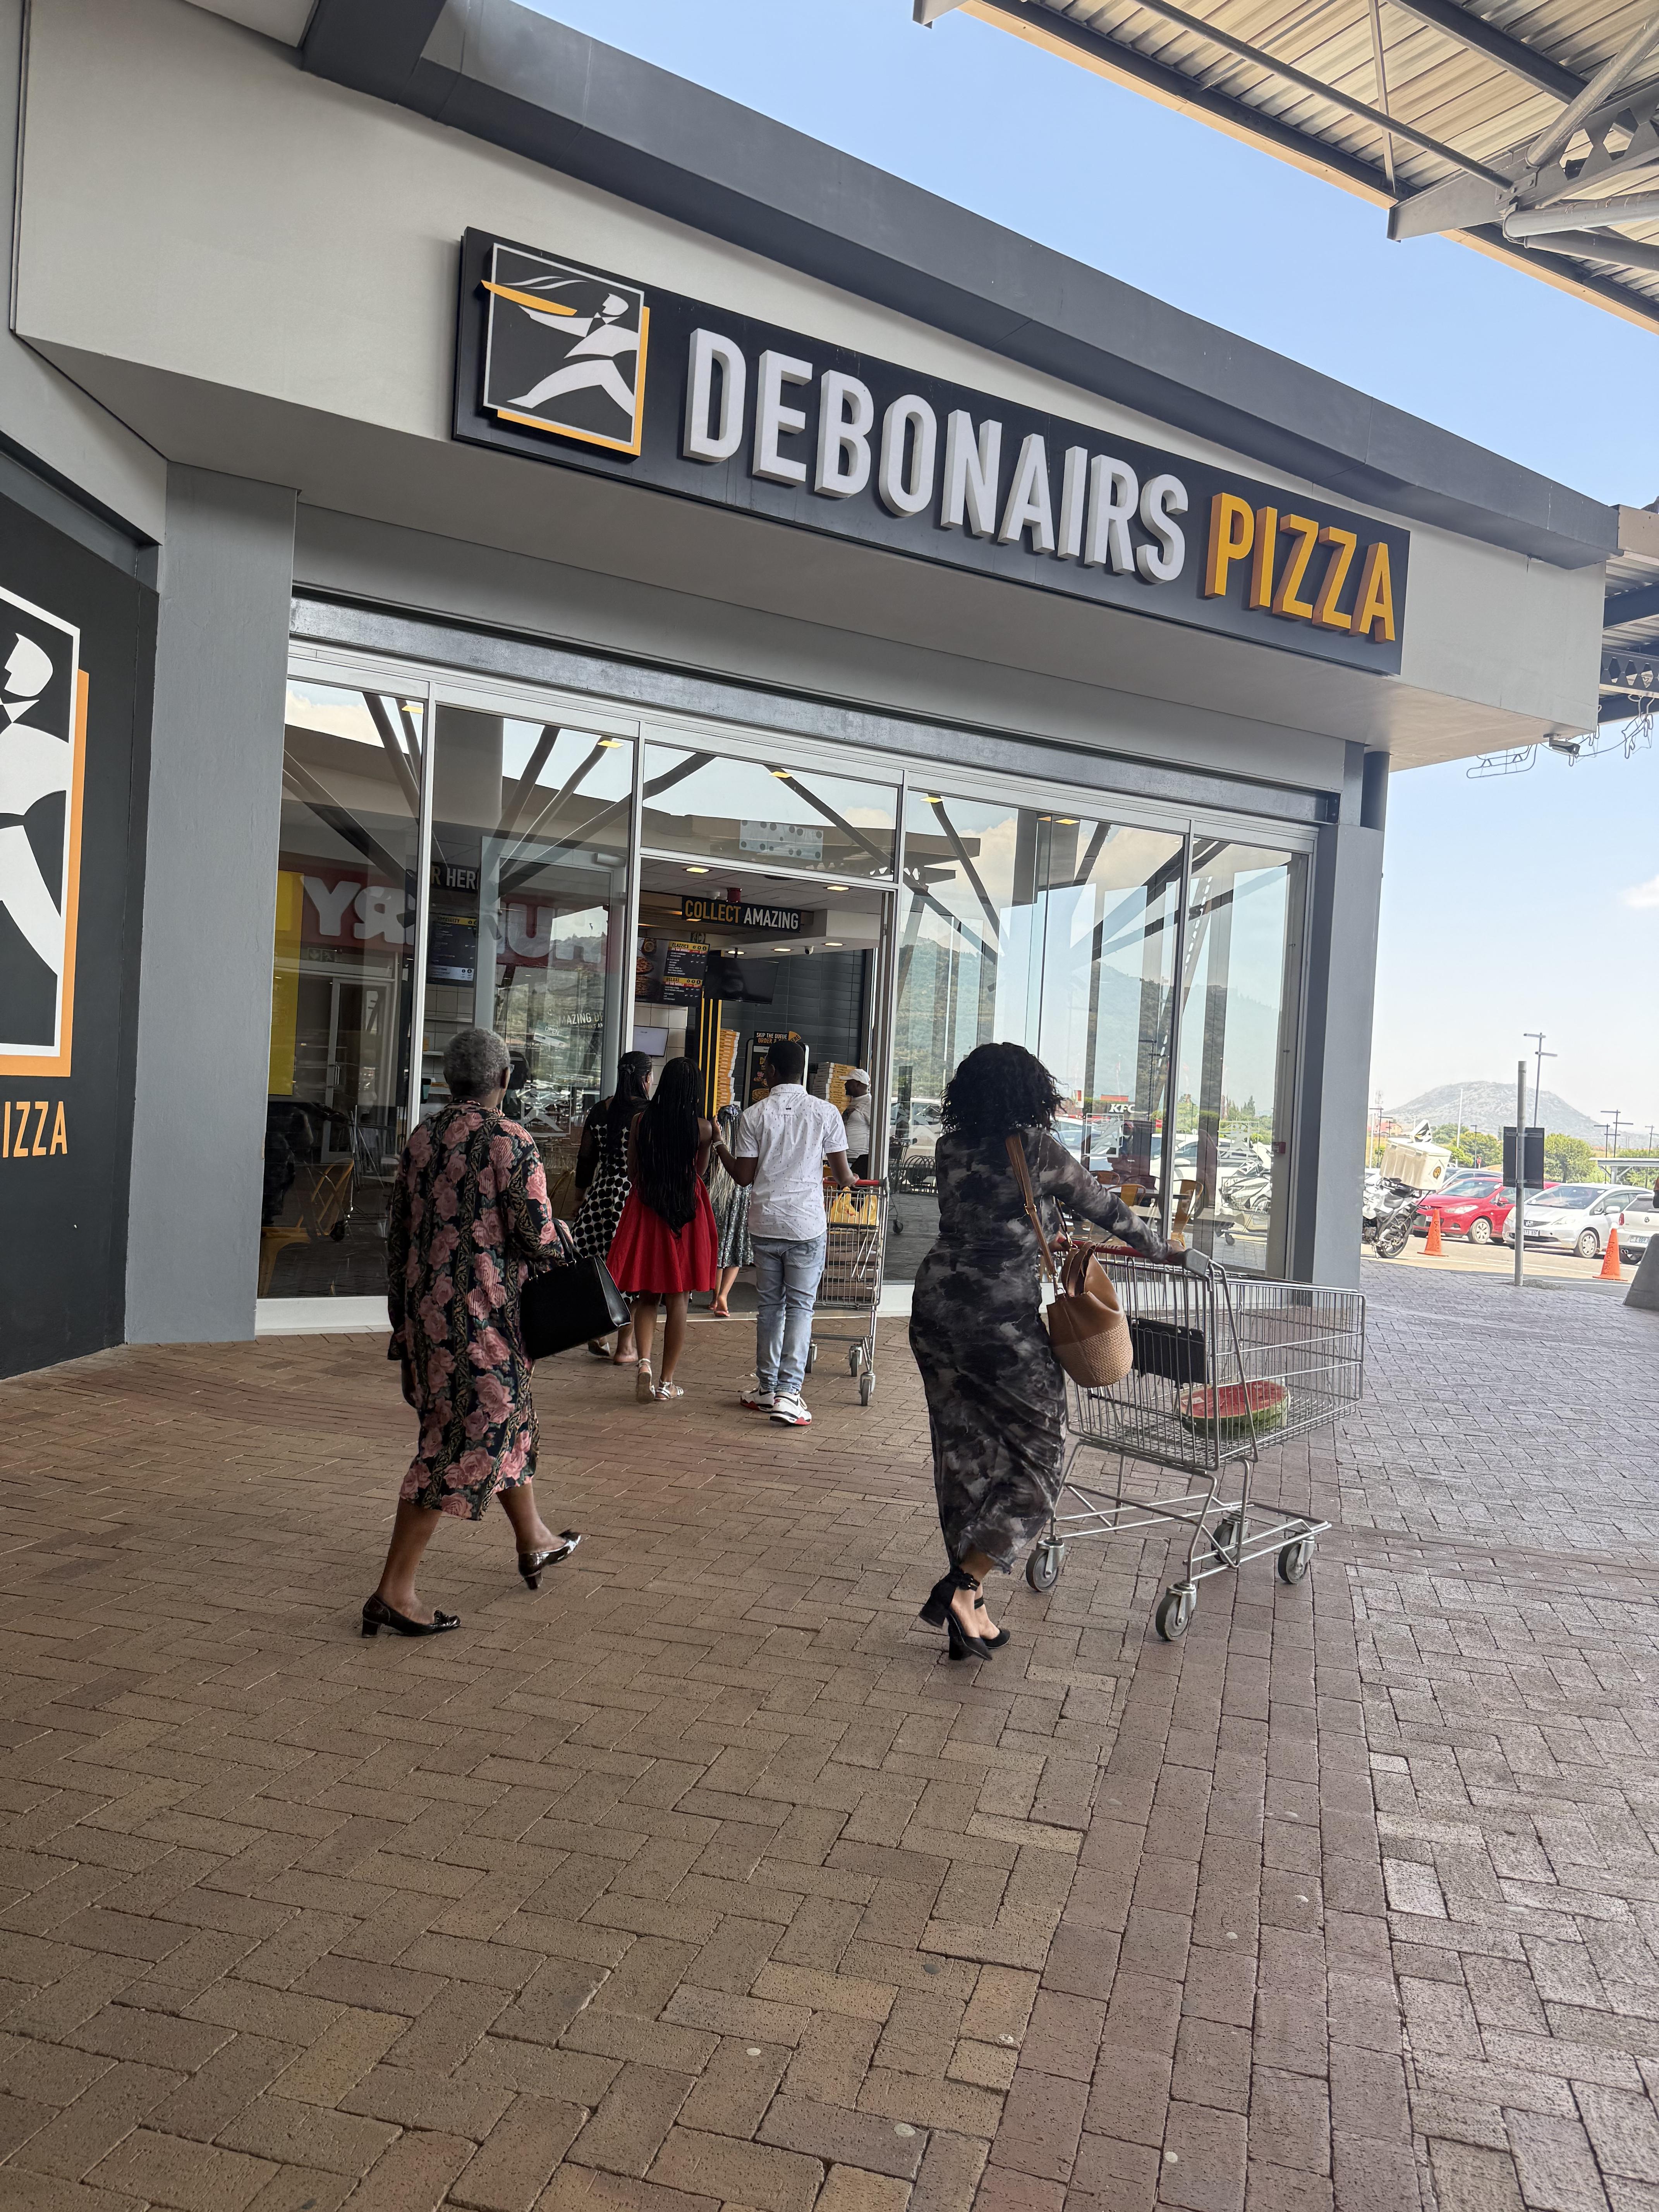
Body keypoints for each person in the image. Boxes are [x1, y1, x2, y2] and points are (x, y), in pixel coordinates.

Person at [908, 1041, 1169, 1660]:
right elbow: (1104, 1207)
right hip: (1001, 1323)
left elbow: (993, 1215)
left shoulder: (949, 1148)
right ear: (1030, 1092)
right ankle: (962, 1585)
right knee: (1043, 1461)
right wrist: (1165, 1249)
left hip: (937, 1311)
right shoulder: (1036, 1148)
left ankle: (972, 1613)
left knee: (962, 1458)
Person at [365, 1026, 581, 1638]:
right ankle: (393, 1593)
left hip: (429, 1318)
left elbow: (400, 1233)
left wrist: (402, 1320)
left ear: (447, 1078)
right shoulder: (510, 1139)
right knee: (461, 1441)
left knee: (503, 1420)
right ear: (504, 1079)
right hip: (483, 1323)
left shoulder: (422, 1137)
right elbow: (534, 1233)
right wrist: (562, 1235)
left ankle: (535, 1538)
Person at [715, 1038, 854, 1426]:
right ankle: (790, 1394)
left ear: (771, 1071)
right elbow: (843, 1175)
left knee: (770, 1308)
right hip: (806, 1225)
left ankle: (767, 1388)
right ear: (802, 1073)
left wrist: (720, 1146)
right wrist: (850, 1180)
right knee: (800, 1308)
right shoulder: (826, 1112)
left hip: (765, 1222)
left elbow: (743, 1177)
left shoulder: (754, 1115)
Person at [607, 1057, 720, 1401]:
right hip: (685, 1210)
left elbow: (632, 1171)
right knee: (678, 1298)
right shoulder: (702, 1129)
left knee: (647, 1295)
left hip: (647, 1207)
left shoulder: (641, 1122)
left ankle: (644, 1363)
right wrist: (715, 1139)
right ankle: (667, 1382)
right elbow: (699, 1171)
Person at [570, 1049, 651, 1362]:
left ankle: (599, 1330)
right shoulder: (648, 1112)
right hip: (634, 1197)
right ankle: (625, 1347)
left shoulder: (600, 1110)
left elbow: (586, 1158)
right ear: (646, 1078)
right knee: (632, 1272)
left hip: (601, 1197)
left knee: (599, 1268)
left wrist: (580, 1199)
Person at [708, 1097, 752, 1317]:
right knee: (736, 1247)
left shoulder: (715, 1150)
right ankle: (724, 1296)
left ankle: (715, 1297)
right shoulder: (746, 1149)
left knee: (718, 1249)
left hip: (718, 1198)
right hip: (741, 1199)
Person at [841, 1069, 873, 1179]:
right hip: (847, 1157)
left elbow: (878, 1131)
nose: (845, 1085)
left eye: (849, 1082)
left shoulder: (869, 1104)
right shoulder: (855, 1102)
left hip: (858, 1159)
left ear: (858, 1084)